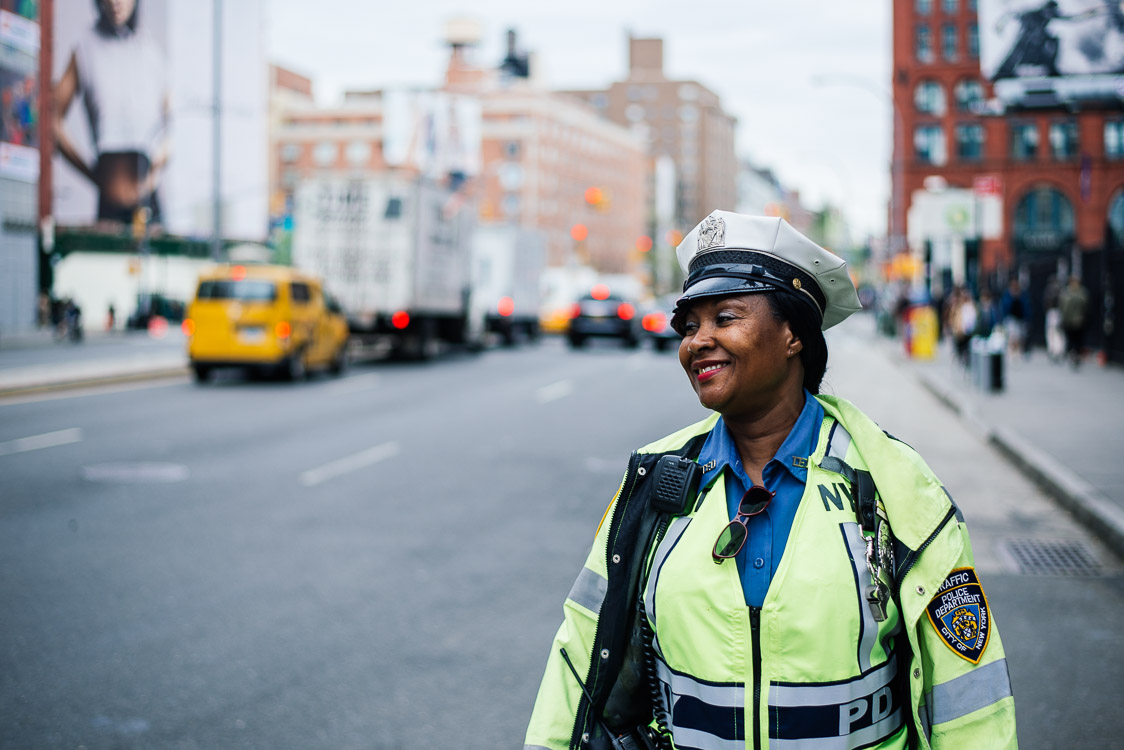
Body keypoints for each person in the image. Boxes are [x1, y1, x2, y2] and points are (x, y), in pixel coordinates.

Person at [525, 212, 1017, 750]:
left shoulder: (893, 482)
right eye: (689, 326)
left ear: (792, 336)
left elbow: (971, 701)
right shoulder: (655, 480)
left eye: (726, 317)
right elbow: (578, 664)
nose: (697, 342)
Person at [53, 0, 169, 225]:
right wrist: (92, 175)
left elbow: (172, 128)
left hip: (149, 208)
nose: (115, 2)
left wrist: (154, 175)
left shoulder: (151, 51)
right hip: (109, 208)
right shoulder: (86, 49)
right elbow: (50, 122)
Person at [1059, 275, 1090, 368]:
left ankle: (1076, 356)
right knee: (1071, 339)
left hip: (1079, 320)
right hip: (1069, 321)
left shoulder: (1082, 292)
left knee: (1079, 339)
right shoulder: (1066, 292)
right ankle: (1073, 355)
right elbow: (1063, 307)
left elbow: (1086, 306)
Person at [1000, 277, 1031, 357]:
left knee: (1019, 336)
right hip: (1011, 319)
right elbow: (1004, 307)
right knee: (1012, 336)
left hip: (1020, 319)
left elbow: (1026, 307)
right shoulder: (1007, 295)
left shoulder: (1022, 294)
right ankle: (1012, 352)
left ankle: (1018, 352)